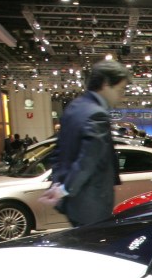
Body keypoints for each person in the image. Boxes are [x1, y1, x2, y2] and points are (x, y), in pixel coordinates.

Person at [41, 59, 130, 227]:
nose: (121, 95)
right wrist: (64, 189)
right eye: (120, 89)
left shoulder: (74, 107)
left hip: (73, 203)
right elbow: (87, 160)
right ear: (105, 84)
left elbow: (59, 153)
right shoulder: (97, 114)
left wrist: (59, 186)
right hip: (92, 204)